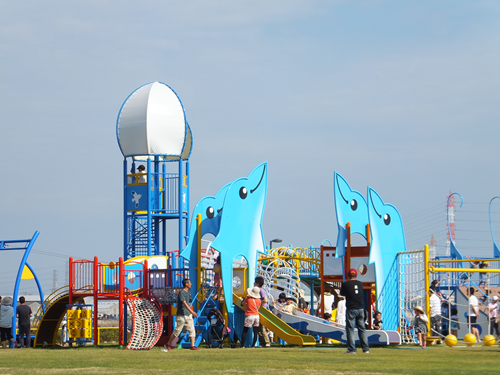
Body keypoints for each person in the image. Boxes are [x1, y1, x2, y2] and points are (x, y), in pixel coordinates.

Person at [340, 268, 369, 354]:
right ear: (356, 275)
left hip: (351, 308)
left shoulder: (346, 284)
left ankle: (352, 349)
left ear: (348, 275)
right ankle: (365, 349)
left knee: (350, 329)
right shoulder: (360, 284)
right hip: (360, 308)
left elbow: (342, 293)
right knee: (362, 329)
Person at [165, 278, 200, 351]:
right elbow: (184, 303)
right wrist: (192, 311)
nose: (191, 284)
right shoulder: (181, 293)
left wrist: (190, 312)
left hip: (188, 315)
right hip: (181, 315)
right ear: (186, 284)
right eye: (190, 283)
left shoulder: (188, 292)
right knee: (177, 331)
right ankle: (168, 344)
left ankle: (192, 346)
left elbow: (187, 303)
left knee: (192, 330)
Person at [254, 276, 270, 347]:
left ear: (258, 283)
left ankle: (267, 342)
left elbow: (265, 300)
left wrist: (257, 302)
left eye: (255, 282)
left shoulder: (261, 290)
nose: (254, 283)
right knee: (259, 328)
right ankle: (262, 342)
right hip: (258, 310)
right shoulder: (256, 290)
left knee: (262, 328)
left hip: (262, 310)